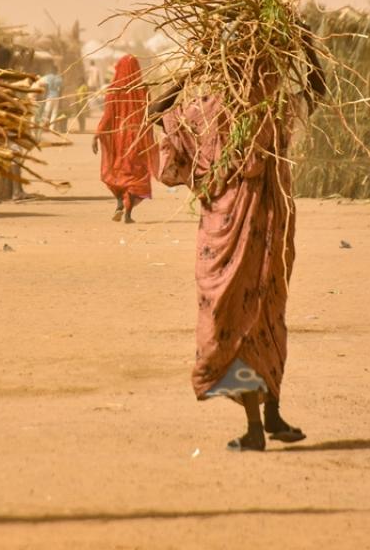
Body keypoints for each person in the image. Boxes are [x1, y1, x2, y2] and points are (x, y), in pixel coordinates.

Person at [149, 42, 324, 452]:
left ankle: (260, 425)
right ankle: (267, 416)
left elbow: (156, 112)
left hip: (233, 233)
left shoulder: (206, 112)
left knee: (239, 321)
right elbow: (317, 89)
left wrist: (192, 72)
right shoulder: (273, 110)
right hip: (267, 232)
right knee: (265, 316)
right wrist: (305, 46)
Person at [92, 55, 157, 223]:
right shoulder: (143, 90)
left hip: (118, 139)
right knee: (136, 174)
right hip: (137, 138)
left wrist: (97, 134)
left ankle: (120, 202)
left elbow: (107, 116)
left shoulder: (113, 90)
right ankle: (128, 213)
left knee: (118, 171)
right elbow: (149, 115)